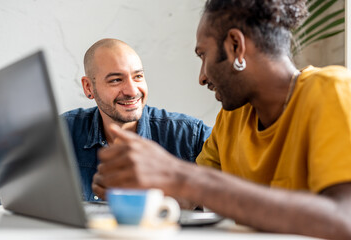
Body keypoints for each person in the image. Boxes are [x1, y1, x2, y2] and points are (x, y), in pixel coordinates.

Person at [91, 0, 351, 239]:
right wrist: (131, 188)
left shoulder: (330, 90)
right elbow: (190, 197)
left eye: (203, 55)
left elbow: (344, 218)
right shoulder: (232, 117)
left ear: (235, 46)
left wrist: (183, 176)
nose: (202, 77)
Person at [61, 38, 212, 202]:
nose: (132, 91)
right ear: (88, 87)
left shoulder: (191, 135)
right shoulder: (62, 133)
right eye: (116, 80)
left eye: (138, 76)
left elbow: (231, 195)